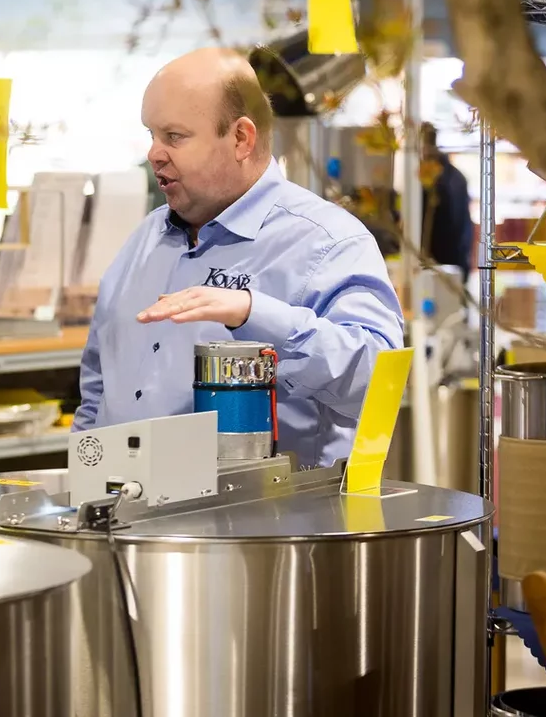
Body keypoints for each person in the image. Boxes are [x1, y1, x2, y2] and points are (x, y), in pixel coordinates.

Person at [75, 48, 404, 470]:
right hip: (125, 506)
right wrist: (83, 484)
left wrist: (254, 313)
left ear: (240, 139)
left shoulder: (327, 242)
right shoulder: (142, 241)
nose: (154, 153)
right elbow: (97, 390)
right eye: (151, 134)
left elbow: (378, 382)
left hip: (265, 511)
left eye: (174, 136)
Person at [419, 122, 474, 281]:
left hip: (444, 261)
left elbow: (453, 224)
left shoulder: (438, 180)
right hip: (454, 261)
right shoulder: (455, 176)